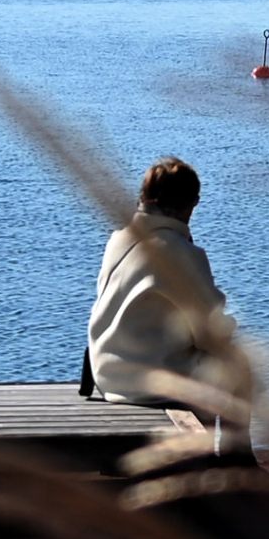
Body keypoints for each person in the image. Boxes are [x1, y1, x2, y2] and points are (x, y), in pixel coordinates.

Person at [86, 157, 250, 431]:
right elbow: (211, 333)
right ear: (191, 202)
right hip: (155, 382)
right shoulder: (180, 252)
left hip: (107, 374)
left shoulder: (119, 239)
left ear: (144, 198)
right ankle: (238, 463)